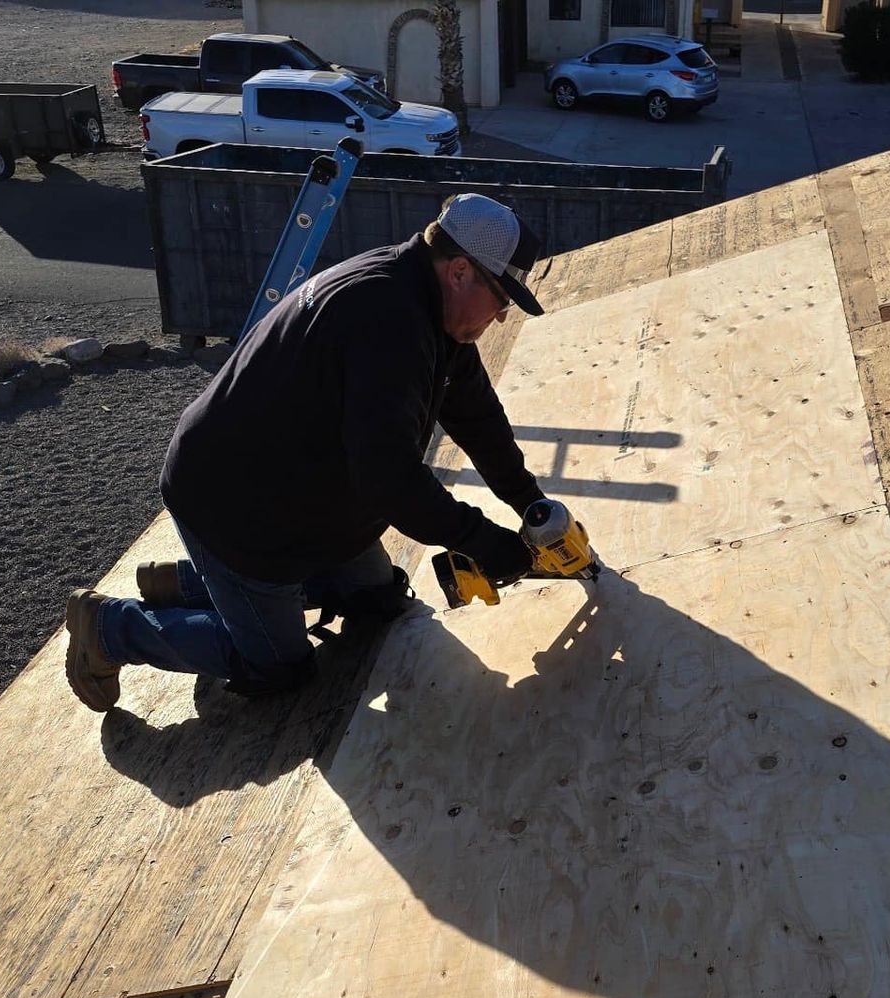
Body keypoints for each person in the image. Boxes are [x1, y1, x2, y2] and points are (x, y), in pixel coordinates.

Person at [63, 192, 551, 711]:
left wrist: (532, 507)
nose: (501, 316)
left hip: (301, 489)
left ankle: (185, 584)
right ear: (459, 272)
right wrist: (482, 539)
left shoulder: (428, 305)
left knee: (376, 600)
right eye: (502, 298)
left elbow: (477, 418)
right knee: (277, 665)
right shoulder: (389, 323)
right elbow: (391, 479)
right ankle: (111, 628)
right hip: (235, 504)